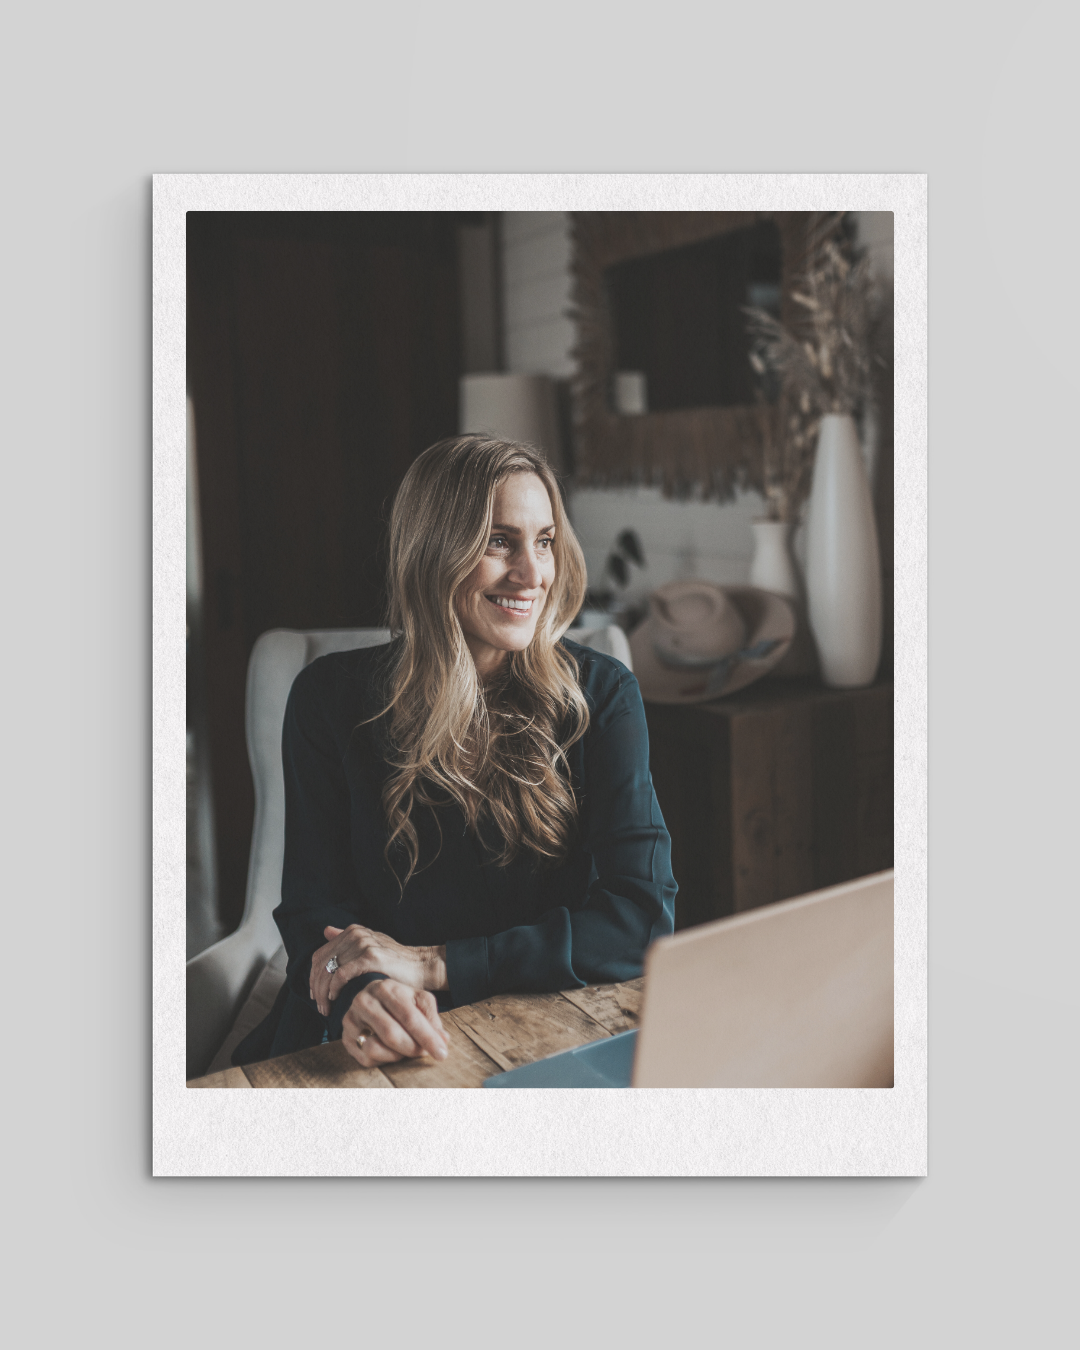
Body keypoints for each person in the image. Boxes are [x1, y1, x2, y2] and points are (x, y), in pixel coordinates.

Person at [233, 436, 677, 1071]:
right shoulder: (327, 699)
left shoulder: (602, 696)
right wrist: (367, 992)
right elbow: (314, 907)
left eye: (545, 541)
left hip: (545, 1027)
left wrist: (433, 962)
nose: (533, 575)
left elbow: (642, 918)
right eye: (500, 541)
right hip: (373, 1038)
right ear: (432, 553)